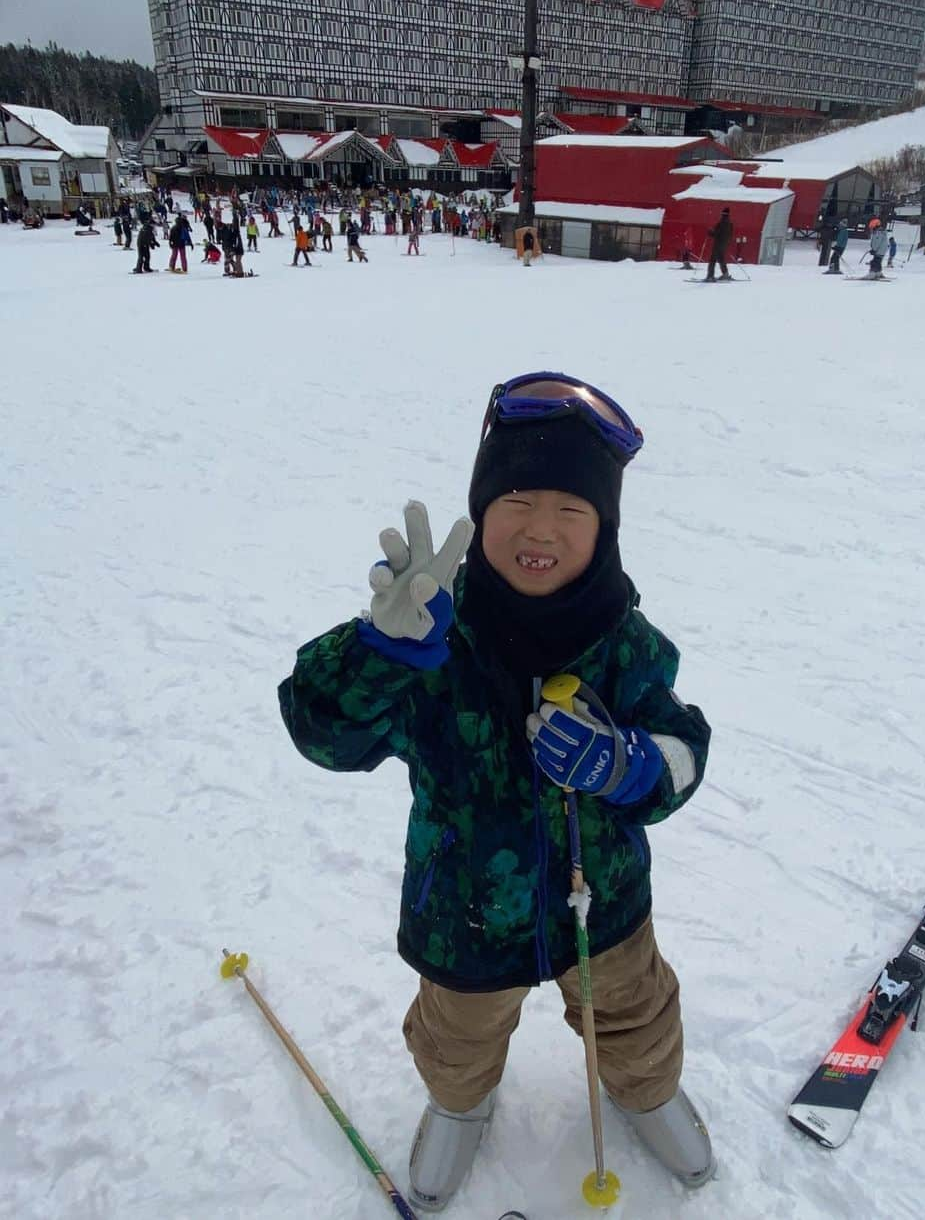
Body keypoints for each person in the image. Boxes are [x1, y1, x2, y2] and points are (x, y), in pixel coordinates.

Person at [278, 373, 714, 1213]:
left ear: (605, 528)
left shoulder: (624, 641)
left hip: (608, 902)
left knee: (634, 1011)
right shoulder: (429, 630)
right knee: (458, 1031)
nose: (540, 529)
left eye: (571, 508)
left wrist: (634, 765)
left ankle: (647, 1090)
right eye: (516, 497)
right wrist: (380, 651)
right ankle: (460, 1100)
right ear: (480, 510)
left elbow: (687, 746)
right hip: (467, 909)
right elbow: (322, 731)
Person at [704, 208, 733, 281]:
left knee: (712, 260)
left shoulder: (720, 223)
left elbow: (716, 234)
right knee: (721, 259)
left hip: (717, 244)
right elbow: (730, 235)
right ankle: (725, 274)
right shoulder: (730, 224)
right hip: (724, 244)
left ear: (722, 214)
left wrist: (710, 232)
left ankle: (710, 276)